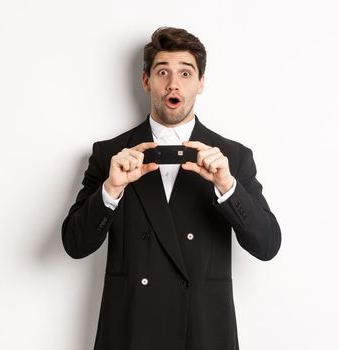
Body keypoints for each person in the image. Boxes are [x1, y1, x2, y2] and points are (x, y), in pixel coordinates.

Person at [61, 26, 281, 350]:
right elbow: (74, 244)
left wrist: (228, 187)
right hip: (130, 332)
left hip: (203, 335)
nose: (173, 83)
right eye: (163, 71)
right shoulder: (111, 154)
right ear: (146, 80)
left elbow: (267, 245)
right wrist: (110, 190)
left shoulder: (232, 157)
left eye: (186, 73)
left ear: (201, 83)